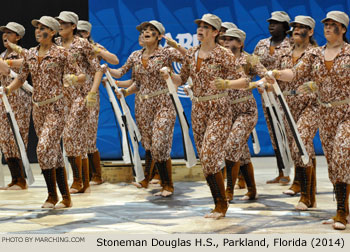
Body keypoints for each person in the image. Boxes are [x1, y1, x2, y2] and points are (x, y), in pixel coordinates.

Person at [266, 11, 350, 230]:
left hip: (347, 112)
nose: (328, 27)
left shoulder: (349, 53)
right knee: (334, 164)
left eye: (333, 24)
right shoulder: (316, 54)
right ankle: (342, 209)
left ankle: (341, 213)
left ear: (343, 28)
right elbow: (295, 74)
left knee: (342, 155)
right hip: (326, 114)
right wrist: (275, 73)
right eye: (327, 24)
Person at [0, 16, 85, 208]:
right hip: (38, 109)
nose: (38, 31)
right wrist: (7, 90)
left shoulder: (62, 54)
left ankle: (51, 195)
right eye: (37, 28)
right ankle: (61, 197)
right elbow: (21, 79)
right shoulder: (30, 53)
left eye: (43, 28)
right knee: (52, 153)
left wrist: (72, 79)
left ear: (53, 32)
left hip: (56, 107)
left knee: (43, 148)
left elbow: (81, 75)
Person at [171, 14, 250, 219]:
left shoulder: (223, 54)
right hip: (198, 110)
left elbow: (244, 81)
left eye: (206, 27)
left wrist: (226, 84)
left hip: (219, 109)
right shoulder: (191, 53)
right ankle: (219, 202)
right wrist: (168, 76)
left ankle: (221, 205)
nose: (201, 29)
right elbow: (182, 79)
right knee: (207, 161)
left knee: (209, 154)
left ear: (216, 32)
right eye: (200, 26)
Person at [110, 20, 183, 197]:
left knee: (159, 143)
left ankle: (168, 184)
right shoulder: (135, 55)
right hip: (142, 105)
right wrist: (103, 68)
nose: (146, 32)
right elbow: (124, 74)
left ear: (159, 36)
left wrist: (175, 74)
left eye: (151, 30)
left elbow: (189, 59)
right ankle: (148, 179)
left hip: (163, 103)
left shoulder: (166, 53)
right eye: (144, 30)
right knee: (149, 144)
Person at [271, 16, 319, 207]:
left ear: (311, 31)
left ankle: (306, 197)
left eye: (302, 27)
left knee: (301, 142)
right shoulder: (283, 54)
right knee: (297, 148)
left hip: (310, 104)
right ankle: (308, 193)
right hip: (288, 105)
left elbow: (325, 78)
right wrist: (267, 85)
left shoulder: (316, 54)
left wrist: (314, 86)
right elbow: (277, 78)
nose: (297, 30)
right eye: (295, 26)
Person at [55, 11, 104, 194]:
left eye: (64, 23)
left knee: (69, 135)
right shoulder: (56, 44)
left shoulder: (82, 44)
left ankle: (77, 181)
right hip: (62, 97)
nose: (60, 25)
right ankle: (84, 181)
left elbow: (97, 70)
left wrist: (92, 93)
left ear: (73, 26)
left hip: (81, 96)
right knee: (76, 139)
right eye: (59, 22)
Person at [218, 28, 267, 201]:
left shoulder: (249, 59)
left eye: (231, 39)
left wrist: (253, 85)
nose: (225, 42)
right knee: (242, 152)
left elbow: (267, 77)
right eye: (224, 39)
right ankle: (252, 190)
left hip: (246, 111)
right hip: (227, 112)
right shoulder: (220, 58)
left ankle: (229, 190)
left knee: (231, 147)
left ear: (240, 43)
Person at [77, 20, 119, 185]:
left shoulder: (94, 47)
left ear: (86, 34)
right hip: (71, 96)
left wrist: (97, 51)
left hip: (90, 95)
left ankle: (95, 175)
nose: (76, 37)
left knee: (89, 135)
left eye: (80, 33)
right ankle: (80, 176)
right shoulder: (69, 47)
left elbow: (114, 60)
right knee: (74, 136)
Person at [254, 11, 292, 185]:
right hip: (267, 97)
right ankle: (281, 172)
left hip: (286, 96)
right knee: (274, 133)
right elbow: (251, 66)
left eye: (276, 23)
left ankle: (298, 174)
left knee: (289, 134)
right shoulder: (261, 44)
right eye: (270, 22)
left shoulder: (291, 45)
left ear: (285, 27)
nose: (271, 25)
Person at [0, 22, 31, 190]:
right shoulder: (2, 55)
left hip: (20, 99)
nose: (5, 35)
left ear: (17, 37)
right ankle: (15, 178)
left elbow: (25, 64)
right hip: (3, 99)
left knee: (17, 136)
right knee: (5, 138)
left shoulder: (25, 55)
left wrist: (7, 65)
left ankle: (21, 179)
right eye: (4, 32)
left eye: (10, 33)